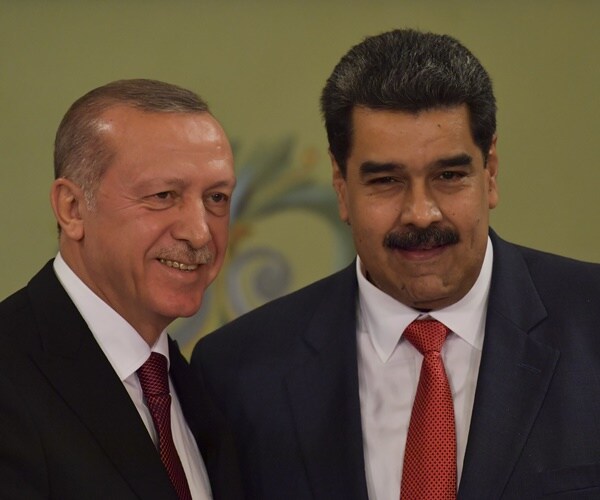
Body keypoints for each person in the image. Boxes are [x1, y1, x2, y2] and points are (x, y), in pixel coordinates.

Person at [191, 29, 600, 499]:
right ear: (342, 189)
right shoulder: (239, 373)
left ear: (489, 173)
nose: (421, 213)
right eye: (386, 180)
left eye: (449, 176)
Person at [0, 79, 241, 499]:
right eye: (164, 195)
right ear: (72, 209)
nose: (200, 233)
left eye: (216, 198)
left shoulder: (208, 387)